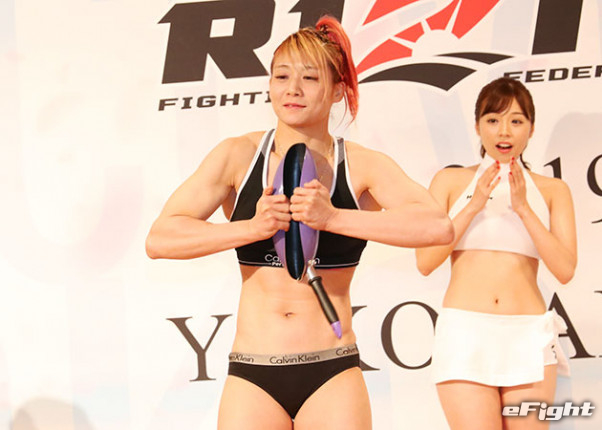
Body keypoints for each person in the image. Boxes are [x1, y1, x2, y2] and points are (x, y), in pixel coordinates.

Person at [146, 16, 453, 430]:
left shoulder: (361, 164)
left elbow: (437, 227)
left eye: (309, 78)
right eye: (282, 76)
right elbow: (160, 238)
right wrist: (252, 228)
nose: (293, 89)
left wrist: (334, 217)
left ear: (338, 89)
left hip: (331, 370)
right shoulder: (238, 155)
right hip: (253, 371)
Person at [415, 77, 577, 430]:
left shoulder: (552, 190)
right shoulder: (449, 182)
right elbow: (425, 262)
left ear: (531, 128)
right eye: (493, 120)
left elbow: (565, 269)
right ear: (477, 126)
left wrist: (524, 209)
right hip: (465, 333)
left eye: (516, 120)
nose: (504, 131)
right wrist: (474, 204)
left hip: (527, 335)